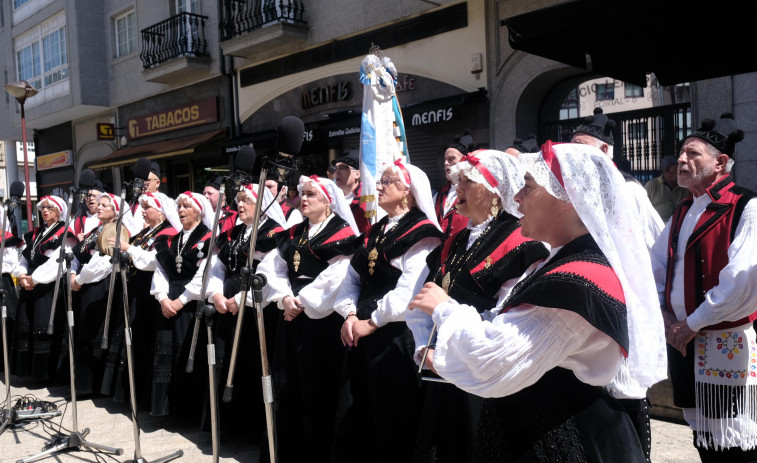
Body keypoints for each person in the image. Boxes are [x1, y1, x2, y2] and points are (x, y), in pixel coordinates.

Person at [409, 142, 657, 462]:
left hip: (568, 439)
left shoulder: (578, 279)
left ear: (567, 197)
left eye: (528, 186)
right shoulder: (557, 262)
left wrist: (444, 310)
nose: (517, 197)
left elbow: (494, 359)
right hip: (538, 430)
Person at [407, 150, 549, 462]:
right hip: (441, 374)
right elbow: (421, 299)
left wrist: (444, 346)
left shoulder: (522, 244)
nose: (457, 189)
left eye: (466, 181)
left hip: (483, 384)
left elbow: (506, 318)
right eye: (457, 181)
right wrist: (423, 349)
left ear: (493, 188)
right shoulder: (458, 240)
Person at [650, 114, 757, 461]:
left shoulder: (746, 206)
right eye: (681, 153)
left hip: (723, 342)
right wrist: (665, 315)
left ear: (720, 163)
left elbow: (741, 280)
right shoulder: (682, 211)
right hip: (682, 343)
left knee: (736, 443)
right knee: (702, 440)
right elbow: (655, 267)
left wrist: (691, 324)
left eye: (693, 154)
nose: (681, 160)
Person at [332, 159, 444, 463]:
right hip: (361, 332)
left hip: (395, 337)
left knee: (395, 416)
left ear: (406, 189)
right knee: (362, 410)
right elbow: (352, 279)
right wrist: (350, 314)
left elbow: (409, 290)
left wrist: (373, 321)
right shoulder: (376, 230)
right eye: (379, 180)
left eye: (386, 181)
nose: (378, 186)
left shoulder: (422, 232)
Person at [571, 107, 667, 459]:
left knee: (625, 390)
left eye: (584, 146)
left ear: (605, 151)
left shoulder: (629, 191)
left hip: (623, 301)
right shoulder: (572, 192)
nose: (578, 154)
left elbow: (656, 246)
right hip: (585, 302)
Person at [257, 175, 359, 463]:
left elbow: (338, 274)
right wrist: (284, 297)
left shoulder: (341, 231)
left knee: (317, 387)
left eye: (311, 194)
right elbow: (273, 267)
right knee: (288, 383)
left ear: (327, 199)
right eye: (302, 193)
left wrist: (301, 301)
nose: (304, 198)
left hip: (320, 319)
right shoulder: (293, 232)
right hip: (291, 313)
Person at [207, 183, 287, 439]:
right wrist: (216, 293)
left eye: (245, 200)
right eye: (238, 200)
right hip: (226, 305)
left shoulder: (273, 232)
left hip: (254, 308)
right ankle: (229, 425)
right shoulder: (233, 232)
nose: (239, 205)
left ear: (261, 203)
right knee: (227, 361)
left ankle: (251, 429)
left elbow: (271, 274)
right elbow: (218, 268)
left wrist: (241, 299)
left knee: (250, 364)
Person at [106, 191, 180, 407]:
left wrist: (129, 249)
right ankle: (129, 391)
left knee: (145, 341)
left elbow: (153, 261)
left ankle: (145, 395)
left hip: (150, 295)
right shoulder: (145, 233)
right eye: (143, 208)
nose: (144, 212)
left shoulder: (168, 232)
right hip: (136, 291)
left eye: (148, 208)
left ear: (161, 212)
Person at [149, 191, 213, 419]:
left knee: (188, 351)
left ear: (198, 211)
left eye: (187, 206)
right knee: (168, 353)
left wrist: (181, 300)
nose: (182, 210)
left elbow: (206, 272)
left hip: (191, 303)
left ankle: (189, 412)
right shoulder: (171, 240)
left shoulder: (208, 238)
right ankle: (169, 409)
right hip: (170, 301)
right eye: (180, 207)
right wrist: (163, 298)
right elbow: (161, 271)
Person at [11, 196, 72, 381]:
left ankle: (47, 374)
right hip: (30, 285)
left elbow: (57, 263)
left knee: (46, 326)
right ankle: (29, 371)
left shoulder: (64, 232)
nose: (45, 211)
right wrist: (21, 274)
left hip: (47, 287)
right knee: (27, 324)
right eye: (43, 208)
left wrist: (34, 279)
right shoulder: (36, 232)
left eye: (50, 207)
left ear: (59, 210)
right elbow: (24, 257)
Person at [70, 192, 123, 395]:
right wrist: (74, 274)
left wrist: (79, 280)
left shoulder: (115, 231)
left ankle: (93, 386)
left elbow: (103, 264)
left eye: (104, 205)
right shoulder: (97, 229)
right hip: (86, 283)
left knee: (96, 332)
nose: (98, 207)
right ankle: (84, 384)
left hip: (101, 286)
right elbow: (78, 254)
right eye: (98, 204)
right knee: (86, 331)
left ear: (114, 210)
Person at [433, 138, 473, 238]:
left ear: (464, 161)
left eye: (451, 159)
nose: (446, 163)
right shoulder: (439, 194)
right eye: (445, 159)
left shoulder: (473, 192)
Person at [333, 149, 371, 233]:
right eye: (335, 168)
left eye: (343, 168)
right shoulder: (331, 199)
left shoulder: (367, 198)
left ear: (357, 174)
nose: (337, 172)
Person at [645, 155, 689, 222]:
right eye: (677, 168)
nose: (681, 171)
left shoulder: (686, 186)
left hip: (680, 226)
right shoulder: (652, 185)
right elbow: (643, 209)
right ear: (668, 170)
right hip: (658, 227)